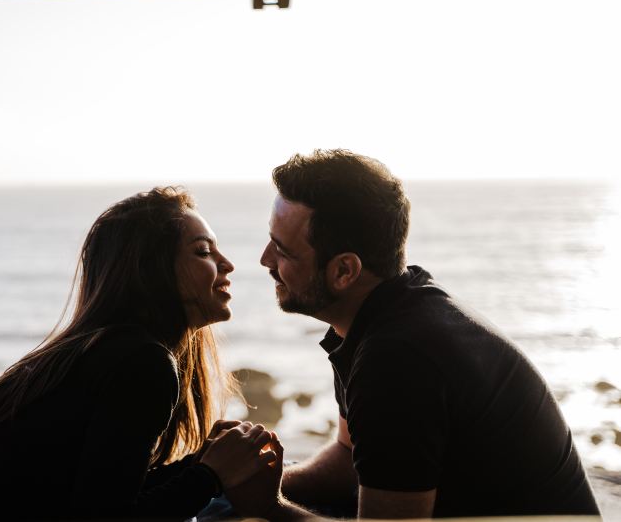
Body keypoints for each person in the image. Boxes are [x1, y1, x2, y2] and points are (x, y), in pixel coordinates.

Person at [226, 150, 601, 520]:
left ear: (344, 271)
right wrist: (254, 484)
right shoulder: (386, 311)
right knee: (223, 503)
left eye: (283, 251)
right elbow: (348, 458)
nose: (264, 260)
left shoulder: (397, 359)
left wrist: (269, 506)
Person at [0, 186, 280, 521]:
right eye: (203, 252)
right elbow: (103, 519)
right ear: (152, 269)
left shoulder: (103, 351)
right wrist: (209, 476)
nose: (227, 264)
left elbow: (97, 497)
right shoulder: (141, 363)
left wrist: (202, 462)